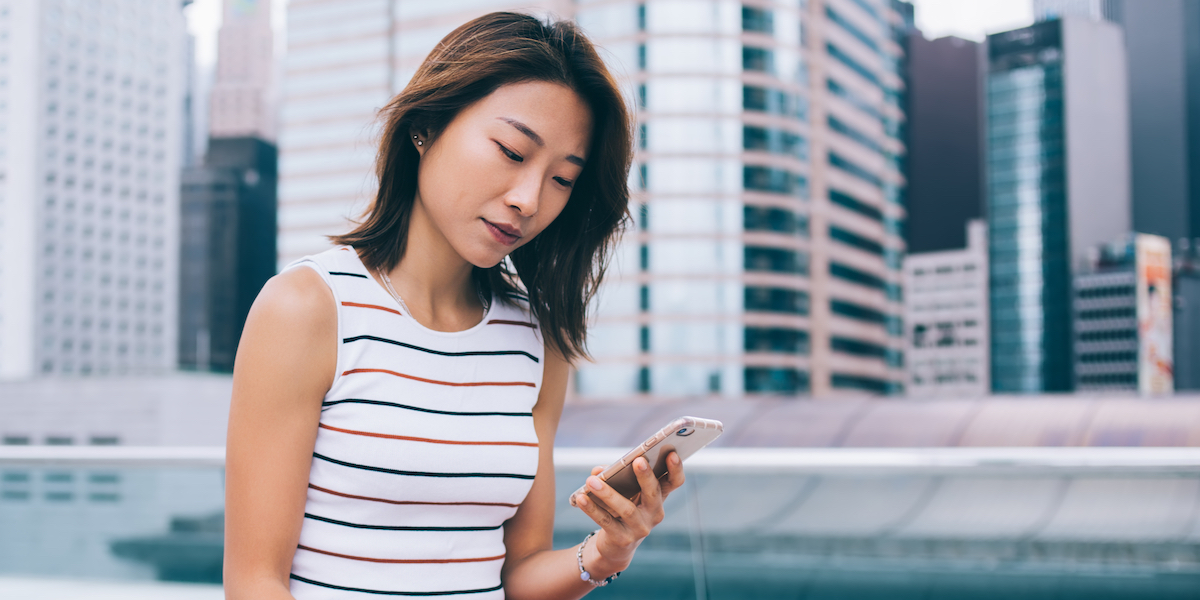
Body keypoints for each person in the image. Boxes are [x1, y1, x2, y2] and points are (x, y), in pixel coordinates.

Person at [223, 11, 685, 600]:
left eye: (563, 180)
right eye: (513, 152)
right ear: (425, 127)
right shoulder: (308, 309)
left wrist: (608, 549)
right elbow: (255, 581)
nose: (528, 200)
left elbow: (516, 576)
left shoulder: (536, 341)